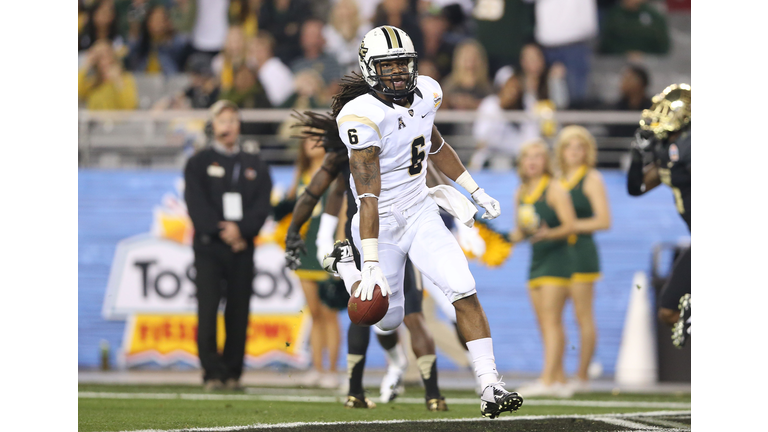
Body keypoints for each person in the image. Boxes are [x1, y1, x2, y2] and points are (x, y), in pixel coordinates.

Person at [325, 26, 523, 418]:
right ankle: (346, 265)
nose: (398, 71)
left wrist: (474, 190)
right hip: (377, 220)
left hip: (420, 210)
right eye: (388, 65)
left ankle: (489, 385)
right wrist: (371, 264)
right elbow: (367, 197)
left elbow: (434, 145)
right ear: (369, 69)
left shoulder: (428, 92)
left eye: (403, 63)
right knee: (386, 318)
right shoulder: (361, 115)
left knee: (462, 285)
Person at [285, 106, 449, 411]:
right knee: (368, 313)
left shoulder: (392, 139)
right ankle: (368, 389)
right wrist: (300, 231)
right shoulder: (349, 150)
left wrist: (295, 231)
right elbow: (321, 193)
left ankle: (425, 392)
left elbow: (430, 173)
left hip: (393, 240)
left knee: (404, 314)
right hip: (369, 242)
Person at [183, 100, 273, 391]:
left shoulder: (254, 165)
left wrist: (242, 231)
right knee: (207, 309)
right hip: (210, 247)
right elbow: (196, 205)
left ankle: (233, 373)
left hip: (242, 248)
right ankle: (211, 373)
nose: (229, 126)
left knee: (238, 310)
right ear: (213, 125)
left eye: (233, 120)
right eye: (223, 120)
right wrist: (224, 230)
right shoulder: (197, 163)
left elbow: (262, 205)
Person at [508, 139, 577, 398]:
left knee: (551, 322)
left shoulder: (554, 188)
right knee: (544, 323)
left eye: (538, 156)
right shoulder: (521, 191)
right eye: (528, 156)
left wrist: (548, 234)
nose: (533, 161)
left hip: (557, 260)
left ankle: (547, 380)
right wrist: (494, 239)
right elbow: (520, 232)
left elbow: (570, 226)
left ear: (546, 161)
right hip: (537, 261)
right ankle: (559, 379)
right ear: (522, 163)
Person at [626, 83, 691, 348]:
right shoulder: (669, 150)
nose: (656, 115)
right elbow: (637, 187)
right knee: (669, 312)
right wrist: (637, 153)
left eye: (664, 110)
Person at [554, 126, 611, 392]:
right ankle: (556, 376)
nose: (574, 152)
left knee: (582, 316)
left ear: (588, 151)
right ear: (561, 151)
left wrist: (569, 225)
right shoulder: (557, 178)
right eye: (569, 147)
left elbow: (603, 220)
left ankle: (582, 376)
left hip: (580, 253)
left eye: (580, 147)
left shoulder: (591, 178)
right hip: (556, 254)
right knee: (553, 318)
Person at [285, 132, 342, 389]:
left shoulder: (335, 172)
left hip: (326, 246)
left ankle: (332, 371)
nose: (311, 144)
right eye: (307, 139)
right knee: (315, 313)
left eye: (317, 139)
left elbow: (342, 212)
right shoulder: (300, 174)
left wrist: (340, 247)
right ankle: (317, 368)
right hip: (305, 250)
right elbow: (289, 211)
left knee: (330, 313)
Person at [530, 0, 598, 107]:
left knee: (577, 99)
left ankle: (575, 123)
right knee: (542, 97)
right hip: (547, 43)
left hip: (577, 41)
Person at [468, 74, 539, 171]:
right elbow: (480, 137)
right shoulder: (490, 104)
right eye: (509, 85)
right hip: (490, 156)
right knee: (479, 161)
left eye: (516, 85)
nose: (513, 90)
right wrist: (502, 107)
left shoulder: (527, 103)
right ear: (501, 86)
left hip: (518, 158)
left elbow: (532, 138)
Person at [126, 4, 187, 74]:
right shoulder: (141, 42)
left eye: (161, 19)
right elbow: (129, 53)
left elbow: (182, 51)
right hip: (142, 79)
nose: (157, 23)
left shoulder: (174, 42)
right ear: (148, 22)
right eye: (154, 19)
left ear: (167, 22)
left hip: (168, 80)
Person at [78, 41, 138, 110]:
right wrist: (86, 64)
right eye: (99, 57)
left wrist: (118, 81)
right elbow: (78, 92)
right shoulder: (92, 82)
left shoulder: (126, 79)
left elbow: (131, 106)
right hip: (95, 120)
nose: (104, 61)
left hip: (118, 120)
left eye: (107, 55)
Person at [599, 0, 671, 56]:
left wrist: (644, 54)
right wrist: (624, 53)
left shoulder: (655, 17)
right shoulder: (613, 16)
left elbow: (663, 46)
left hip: (653, 64)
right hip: (615, 64)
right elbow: (605, 44)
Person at [290, 19, 343, 90]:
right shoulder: (296, 65)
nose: (311, 40)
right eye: (307, 35)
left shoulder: (332, 61)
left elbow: (336, 86)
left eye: (314, 35)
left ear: (322, 38)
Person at [247, 32, 295, 107]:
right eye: (252, 50)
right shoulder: (257, 70)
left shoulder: (274, 68)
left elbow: (277, 100)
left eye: (259, 49)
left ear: (268, 50)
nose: (255, 53)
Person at [323, 0, 372, 75]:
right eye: (341, 9)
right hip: (335, 70)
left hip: (361, 69)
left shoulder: (365, 28)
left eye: (348, 8)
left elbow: (367, 51)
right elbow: (329, 52)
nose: (345, 13)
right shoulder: (328, 31)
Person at [441, 39, 493, 111]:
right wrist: (451, 101)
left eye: (474, 58)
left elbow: (493, 107)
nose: (470, 63)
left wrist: (474, 104)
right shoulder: (447, 87)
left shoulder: (487, 88)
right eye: (466, 58)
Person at [606, 64, 653, 137]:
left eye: (628, 79)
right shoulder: (616, 108)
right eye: (623, 79)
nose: (623, 83)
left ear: (641, 82)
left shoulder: (652, 108)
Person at [212, 26, 248, 92]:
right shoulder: (219, 61)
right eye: (232, 41)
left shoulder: (250, 61)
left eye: (238, 41)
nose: (235, 45)